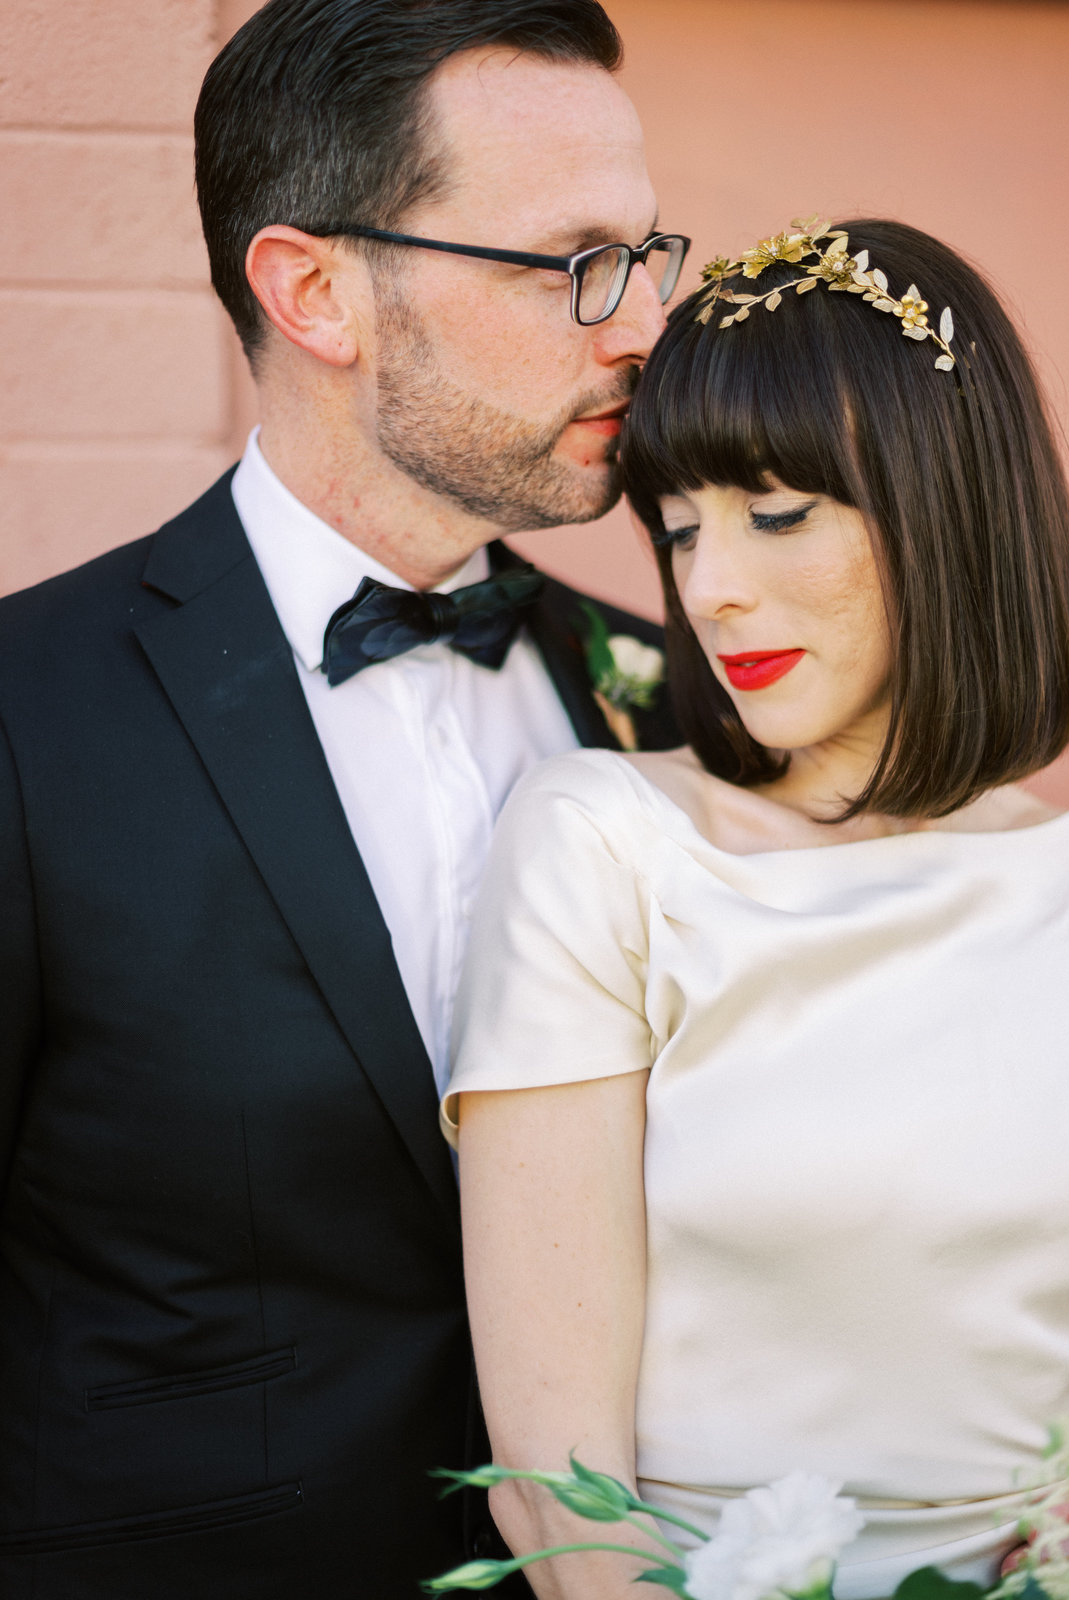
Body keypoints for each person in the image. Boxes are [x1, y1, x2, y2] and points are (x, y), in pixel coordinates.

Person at [0, 3, 683, 1595]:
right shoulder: (28, 715)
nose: (643, 324)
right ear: (316, 291)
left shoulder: (677, 700)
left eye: (650, 255)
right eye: (573, 260)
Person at [445, 217, 1069, 1600]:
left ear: (949, 505)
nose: (711, 586)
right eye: (679, 529)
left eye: (778, 512)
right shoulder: (603, 843)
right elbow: (565, 1510)